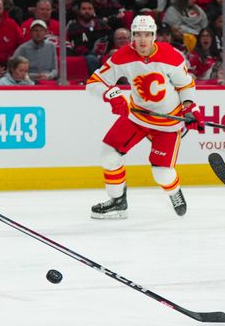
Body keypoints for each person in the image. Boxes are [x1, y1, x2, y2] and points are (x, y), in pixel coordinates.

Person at [85, 15, 203, 219]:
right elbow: (94, 82)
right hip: (137, 116)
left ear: (154, 36)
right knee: (108, 155)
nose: (142, 40)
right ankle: (117, 201)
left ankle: (174, 192)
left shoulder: (171, 56)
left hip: (168, 122)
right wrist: (112, 95)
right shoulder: (123, 56)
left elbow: (186, 86)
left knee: (162, 174)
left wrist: (189, 108)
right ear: (132, 36)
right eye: (137, 35)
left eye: (147, 35)